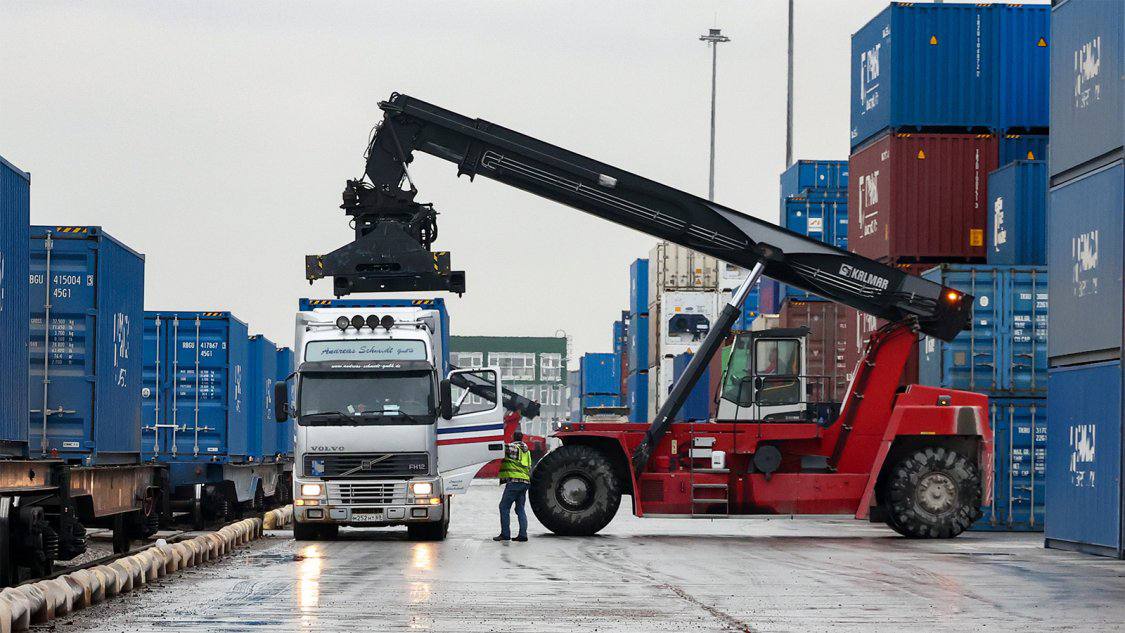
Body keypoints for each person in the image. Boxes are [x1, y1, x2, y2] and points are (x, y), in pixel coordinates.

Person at [494, 429, 532, 542]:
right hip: (525, 482)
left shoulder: (512, 447)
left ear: (513, 438)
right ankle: (523, 535)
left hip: (514, 482)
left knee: (504, 507)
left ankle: (505, 534)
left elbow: (499, 447)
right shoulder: (527, 451)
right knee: (520, 509)